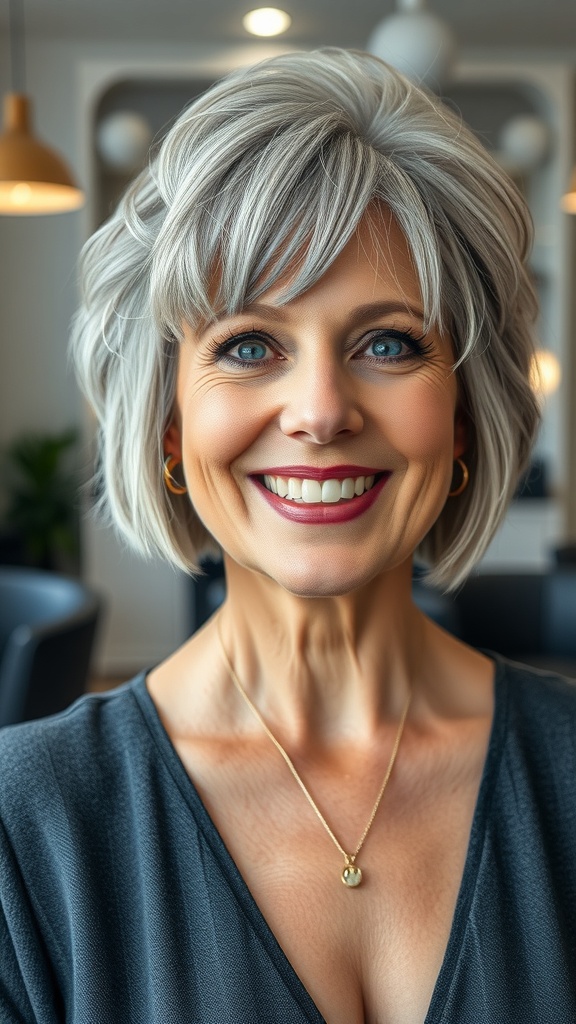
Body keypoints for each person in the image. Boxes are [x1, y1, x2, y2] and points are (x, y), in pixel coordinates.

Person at [1, 47, 575, 1024]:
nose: (319, 410)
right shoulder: (25, 826)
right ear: (170, 426)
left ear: (467, 414)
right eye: (249, 347)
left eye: (388, 342)